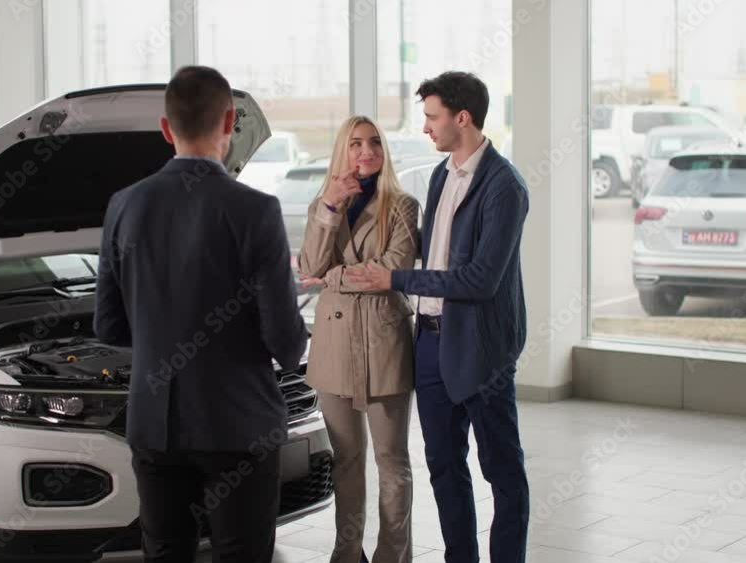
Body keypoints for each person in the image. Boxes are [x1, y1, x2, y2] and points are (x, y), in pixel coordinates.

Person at [94, 65, 309, 563]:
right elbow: (285, 341)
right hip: (238, 426)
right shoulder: (256, 210)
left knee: (166, 552)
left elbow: (109, 326)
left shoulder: (123, 205)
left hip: (155, 424)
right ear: (230, 121)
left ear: (165, 129)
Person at [344, 72, 531, 563]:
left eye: (432, 117)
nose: (425, 127)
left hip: (481, 347)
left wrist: (395, 279)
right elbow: (432, 252)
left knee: (502, 471)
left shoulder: (504, 187)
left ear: (461, 118)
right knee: (444, 467)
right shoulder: (441, 175)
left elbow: (479, 280)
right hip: (428, 345)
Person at [298, 115, 420, 563]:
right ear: (342, 151)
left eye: (373, 143)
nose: (366, 151)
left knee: (392, 461)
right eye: (355, 144)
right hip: (334, 345)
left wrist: (333, 277)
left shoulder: (402, 206)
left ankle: (393, 555)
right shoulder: (323, 204)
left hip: (384, 341)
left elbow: (392, 269)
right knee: (346, 459)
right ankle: (346, 553)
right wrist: (331, 207)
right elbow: (309, 266)